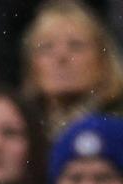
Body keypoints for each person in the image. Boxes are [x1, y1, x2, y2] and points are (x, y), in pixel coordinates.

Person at [21, 0, 123, 140]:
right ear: (31, 65)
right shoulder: (18, 132)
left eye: (76, 45)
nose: (61, 56)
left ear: (104, 60)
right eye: (46, 47)